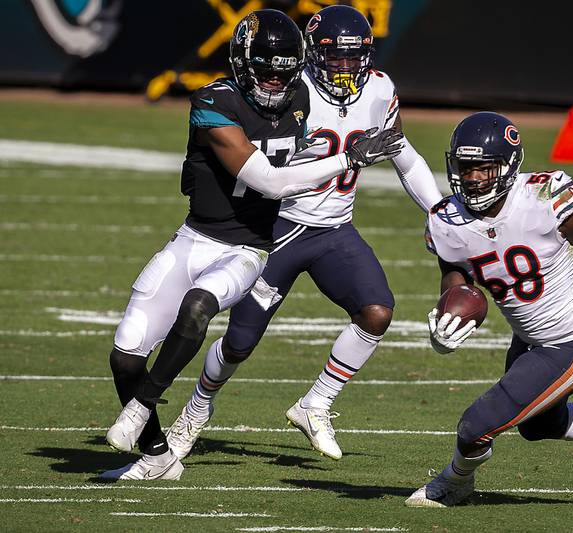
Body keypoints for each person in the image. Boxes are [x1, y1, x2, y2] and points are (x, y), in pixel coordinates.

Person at [100, 9, 403, 481]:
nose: (276, 84)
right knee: (125, 354)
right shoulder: (213, 100)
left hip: (247, 249)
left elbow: (309, 146)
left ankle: (144, 405)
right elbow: (268, 180)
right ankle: (158, 456)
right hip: (195, 238)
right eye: (265, 72)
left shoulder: (301, 95)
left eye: (284, 73)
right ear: (243, 64)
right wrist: (349, 157)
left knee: (200, 306)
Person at [165, 5, 443, 462]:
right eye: (336, 58)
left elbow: (403, 152)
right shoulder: (289, 90)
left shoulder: (379, 89)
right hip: (277, 227)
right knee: (239, 343)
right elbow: (259, 164)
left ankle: (317, 403)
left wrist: (435, 211)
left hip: (335, 228)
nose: (346, 68)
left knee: (376, 312)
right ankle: (196, 409)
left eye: (355, 58)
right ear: (313, 54)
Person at [404, 111, 573, 507]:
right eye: (465, 168)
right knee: (538, 425)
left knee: (475, 426)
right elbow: (455, 274)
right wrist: (449, 313)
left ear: (508, 165)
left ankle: (453, 483)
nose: (472, 178)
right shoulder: (447, 220)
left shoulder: (546, 197)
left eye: (484, 169)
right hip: (528, 340)